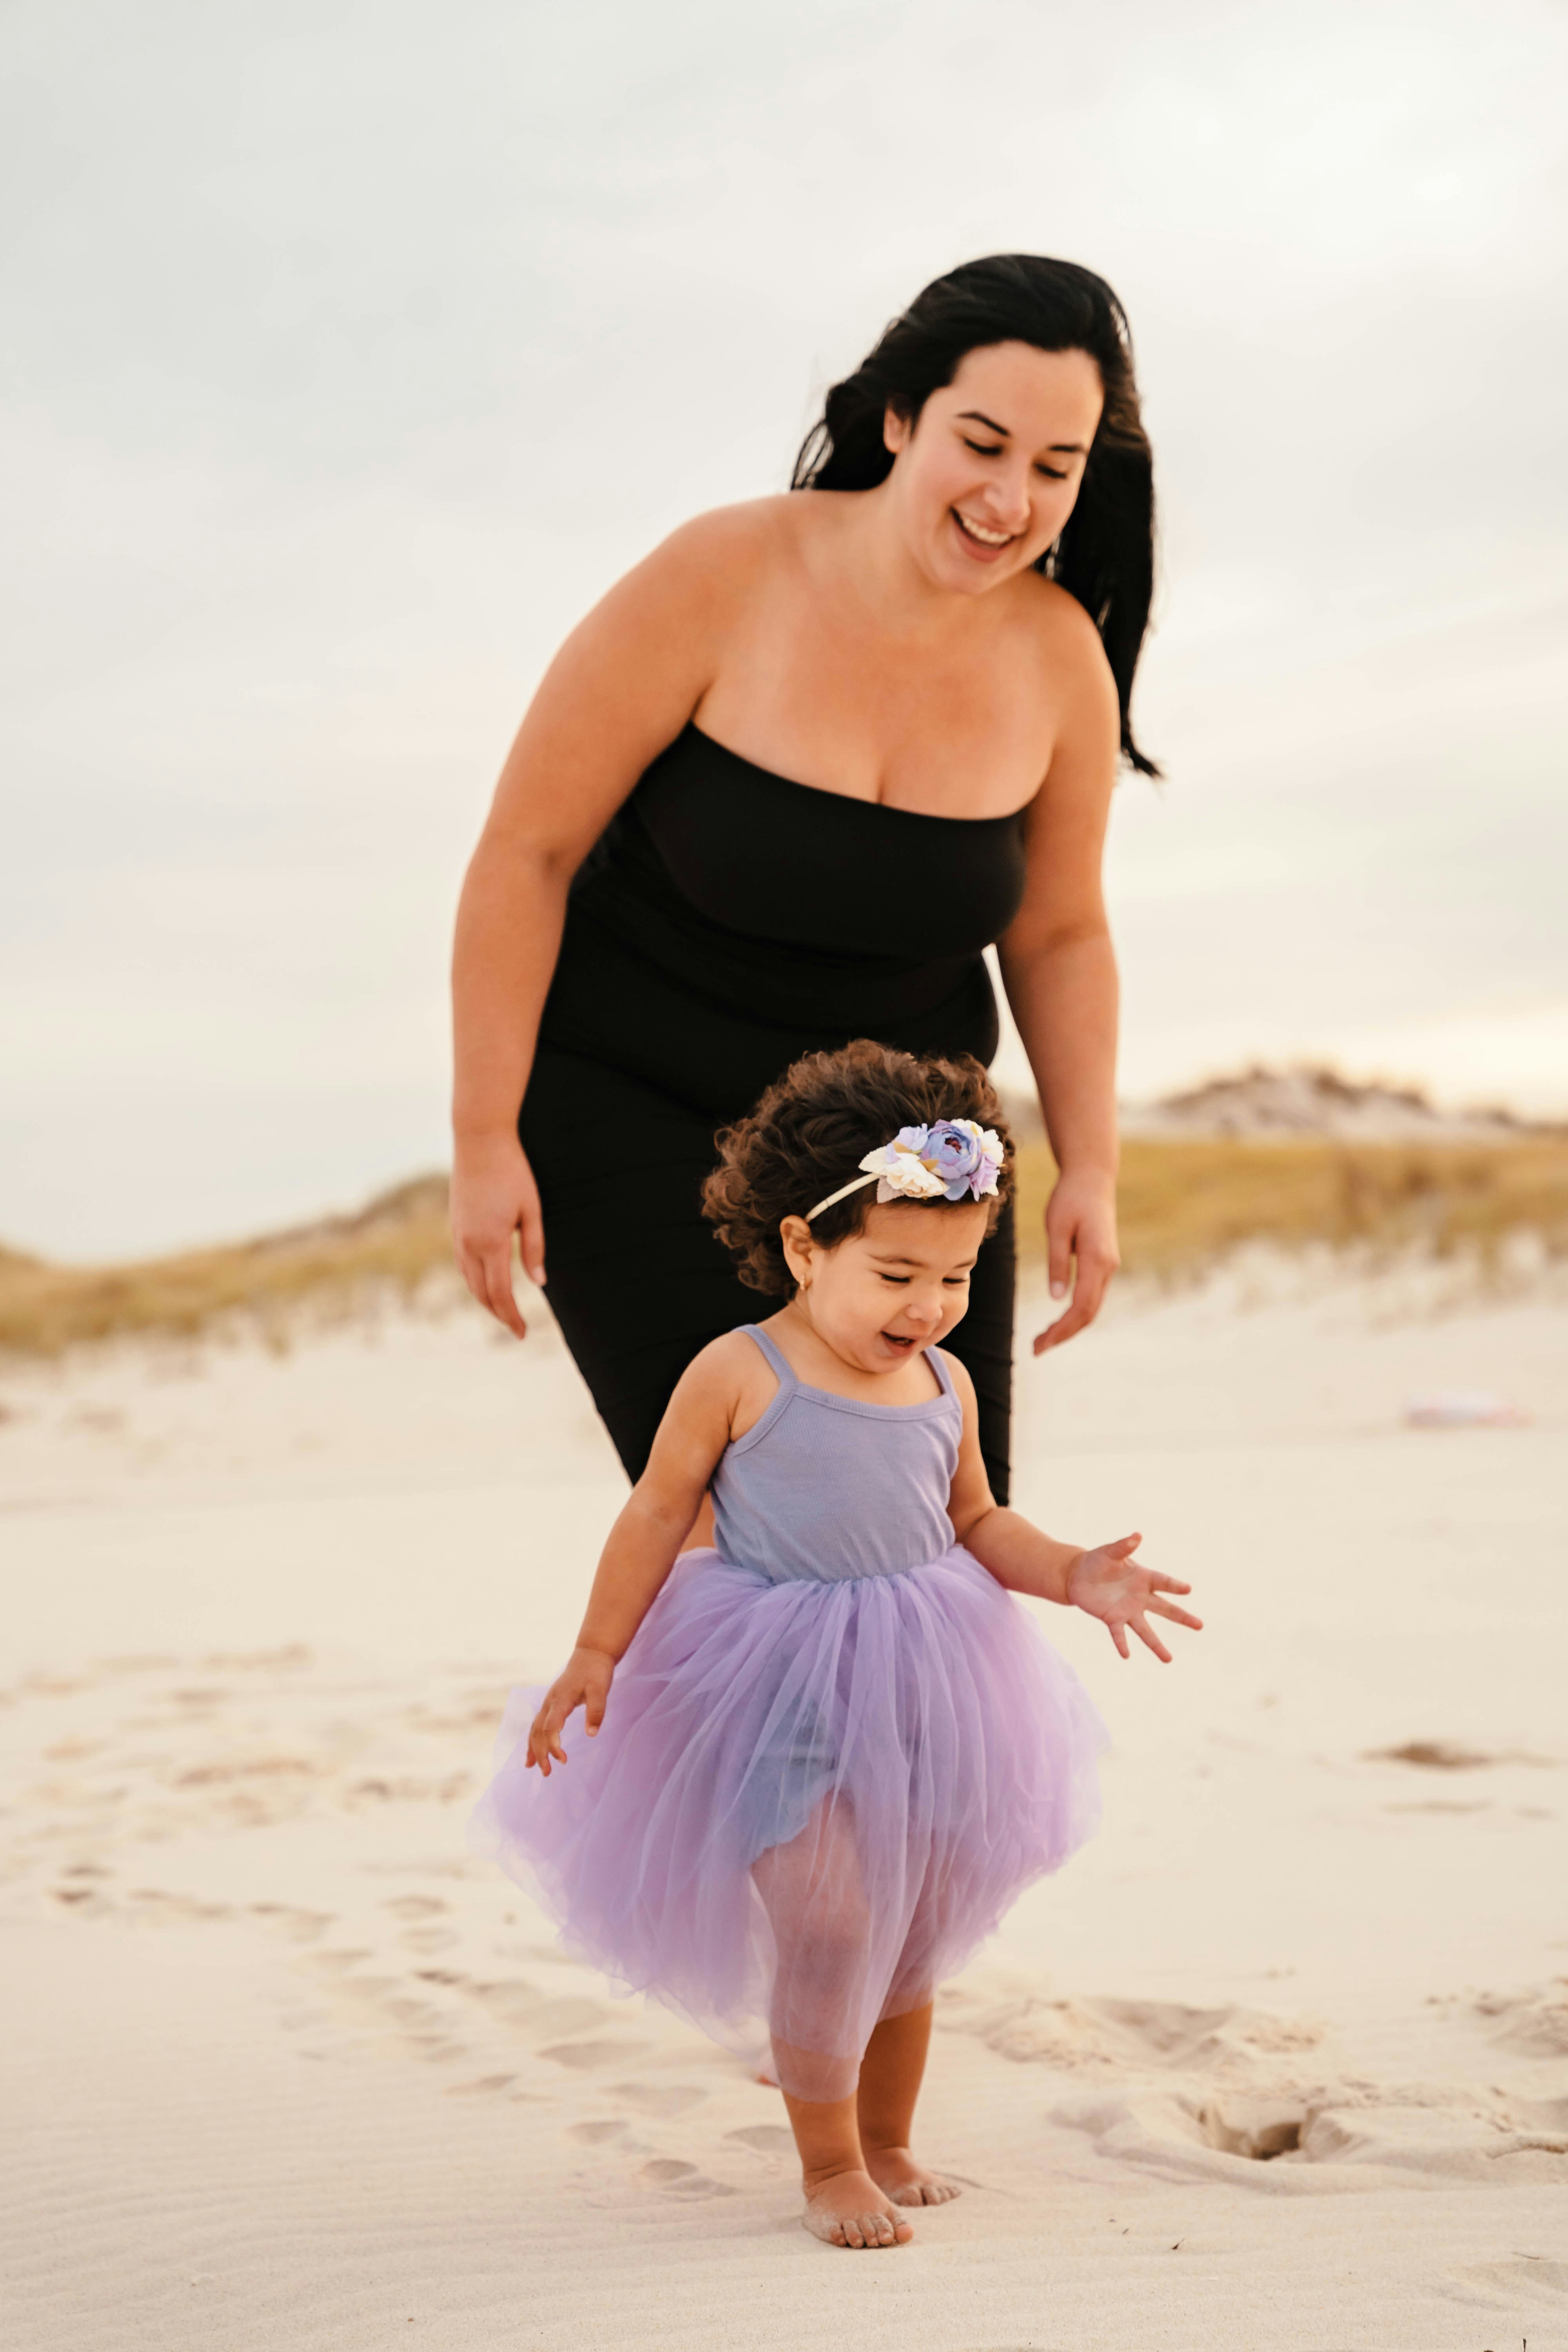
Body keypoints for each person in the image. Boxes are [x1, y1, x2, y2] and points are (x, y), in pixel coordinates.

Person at [449, 252, 1159, 1513]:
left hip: (912, 1157)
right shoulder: (722, 577)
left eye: (1055, 468)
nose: (1010, 499)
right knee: (754, 1532)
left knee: (934, 1536)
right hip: (639, 1115)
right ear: (899, 419)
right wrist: (483, 1136)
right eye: (981, 444)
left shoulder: (1061, 663)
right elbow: (528, 851)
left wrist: (1090, 1169)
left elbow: (1059, 933)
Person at [470, 1042, 1201, 2251]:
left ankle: (892, 2138)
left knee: (912, 1925)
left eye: (957, 1276)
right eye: (897, 1274)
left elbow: (977, 1522)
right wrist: (597, 1651)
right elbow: (656, 1511)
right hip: (775, 1678)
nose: (929, 1307)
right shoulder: (739, 1371)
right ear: (807, 1248)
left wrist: (1073, 1573)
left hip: (931, 1674)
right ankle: (828, 2164)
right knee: (829, 1920)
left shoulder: (947, 1384)